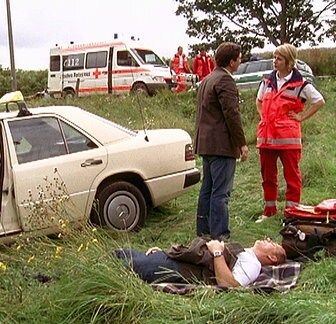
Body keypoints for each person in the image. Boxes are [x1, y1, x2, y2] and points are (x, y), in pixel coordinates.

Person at [255, 44, 325, 223]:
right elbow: (259, 100)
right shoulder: (267, 81)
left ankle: (292, 213)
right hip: (267, 138)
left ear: (289, 62)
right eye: (274, 57)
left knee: (292, 177)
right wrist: (264, 117)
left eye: (279, 58)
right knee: (267, 177)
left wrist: (301, 117)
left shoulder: (301, 84)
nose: (274, 62)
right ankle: (269, 211)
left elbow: (319, 101)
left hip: (288, 139)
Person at [194, 42, 249, 240]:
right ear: (232, 61)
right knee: (220, 192)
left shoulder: (208, 79)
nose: (241, 60)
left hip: (205, 144)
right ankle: (219, 234)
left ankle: (204, 231)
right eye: (239, 58)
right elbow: (231, 114)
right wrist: (242, 143)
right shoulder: (225, 80)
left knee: (207, 190)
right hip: (221, 146)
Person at [115, 238, 286, 287]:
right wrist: (165, 251)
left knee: (120, 268)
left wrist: (218, 251)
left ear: (271, 258)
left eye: (272, 244)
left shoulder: (253, 264)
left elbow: (230, 285)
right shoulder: (247, 252)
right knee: (122, 253)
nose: (268, 239)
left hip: (179, 268)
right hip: (175, 258)